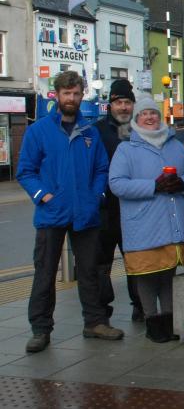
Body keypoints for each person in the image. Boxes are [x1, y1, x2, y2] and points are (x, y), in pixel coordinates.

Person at [17, 71, 123, 353]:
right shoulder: (38, 131)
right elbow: (25, 171)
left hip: (86, 213)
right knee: (45, 272)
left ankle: (95, 322)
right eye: (67, 94)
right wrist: (45, 196)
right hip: (51, 213)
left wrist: (96, 195)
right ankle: (40, 329)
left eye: (76, 94)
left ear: (81, 95)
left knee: (90, 271)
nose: (72, 99)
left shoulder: (89, 131)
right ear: (57, 95)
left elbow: (102, 167)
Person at [109, 98, 184, 343]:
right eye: (144, 114)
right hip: (144, 223)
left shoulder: (174, 145)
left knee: (168, 274)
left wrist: (182, 183)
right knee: (147, 274)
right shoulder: (126, 149)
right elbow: (116, 184)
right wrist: (153, 186)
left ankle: (169, 322)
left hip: (172, 220)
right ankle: (153, 322)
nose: (150, 118)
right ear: (136, 120)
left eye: (153, 113)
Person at [94, 78, 144, 323]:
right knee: (101, 263)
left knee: (134, 260)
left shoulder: (141, 130)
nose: (123, 107)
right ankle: (103, 311)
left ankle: (140, 306)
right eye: (119, 102)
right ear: (110, 105)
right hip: (106, 208)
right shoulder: (97, 131)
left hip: (133, 208)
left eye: (127, 102)